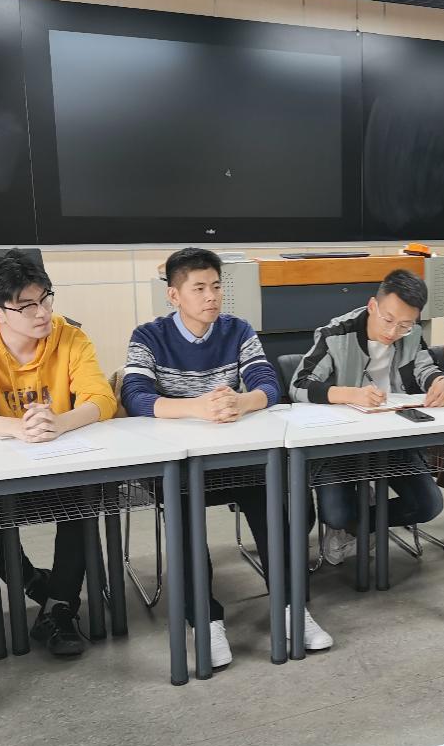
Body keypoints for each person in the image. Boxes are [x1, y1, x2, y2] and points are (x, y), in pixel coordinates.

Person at [122, 248, 329, 667]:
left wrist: (241, 402)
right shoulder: (148, 336)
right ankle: (205, 620)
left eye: (216, 286)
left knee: (272, 503)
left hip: (234, 458)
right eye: (199, 288)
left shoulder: (237, 329)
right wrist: (198, 407)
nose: (211, 297)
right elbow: (134, 396)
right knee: (184, 517)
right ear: (174, 295)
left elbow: (268, 384)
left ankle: (291, 607)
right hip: (179, 465)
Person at [0, 249, 117, 658]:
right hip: (0, 471)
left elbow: (102, 398)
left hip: (60, 463)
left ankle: (59, 608)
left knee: (86, 497)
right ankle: (35, 585)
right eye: (27, 305)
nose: (42, 313)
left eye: (46, 298)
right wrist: (16, 427)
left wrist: (60, 422)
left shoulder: (69, 336)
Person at [290, 268, 444, 563]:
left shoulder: (412, 335)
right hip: (339, 446)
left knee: (429, 505)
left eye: (404, 325)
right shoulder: (337, 334)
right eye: (388, 320)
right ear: (372, 305)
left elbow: (425, 368)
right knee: (336, 515)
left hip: (393, 443)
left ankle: (360, 525)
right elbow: (299, 385)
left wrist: (442, 381)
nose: (393, 332)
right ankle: (350, 521)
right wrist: (349, 394)